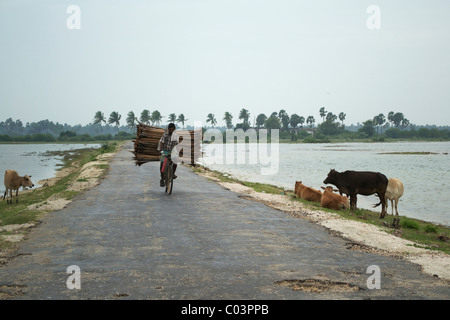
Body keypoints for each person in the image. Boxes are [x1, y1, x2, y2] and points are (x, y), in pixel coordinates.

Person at [158, 123, 178, 187]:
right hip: (165, 151)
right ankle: (162, 179)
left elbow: (176, 145)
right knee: (162, 163)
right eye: (170, 129)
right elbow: (162, 143)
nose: (171, 131)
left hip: (172, 151)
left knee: (175, 161)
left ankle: (173, 174)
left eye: (173, 129)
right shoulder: (165, 135)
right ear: (168, 129)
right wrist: (161, 151)